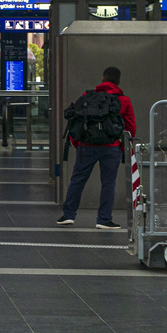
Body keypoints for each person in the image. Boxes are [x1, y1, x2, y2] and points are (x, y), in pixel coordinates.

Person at [59, 66, 138, 229]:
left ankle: (68, 215)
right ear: (119, 81)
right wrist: (122, 147)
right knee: (108, 183)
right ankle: (103, 219)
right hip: (111, 147)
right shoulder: (123, 100)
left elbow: (76, 120)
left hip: (86, 146)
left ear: (102, 79)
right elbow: (130, 128)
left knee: (77, 180)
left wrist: (77, 142)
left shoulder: (87, 96)